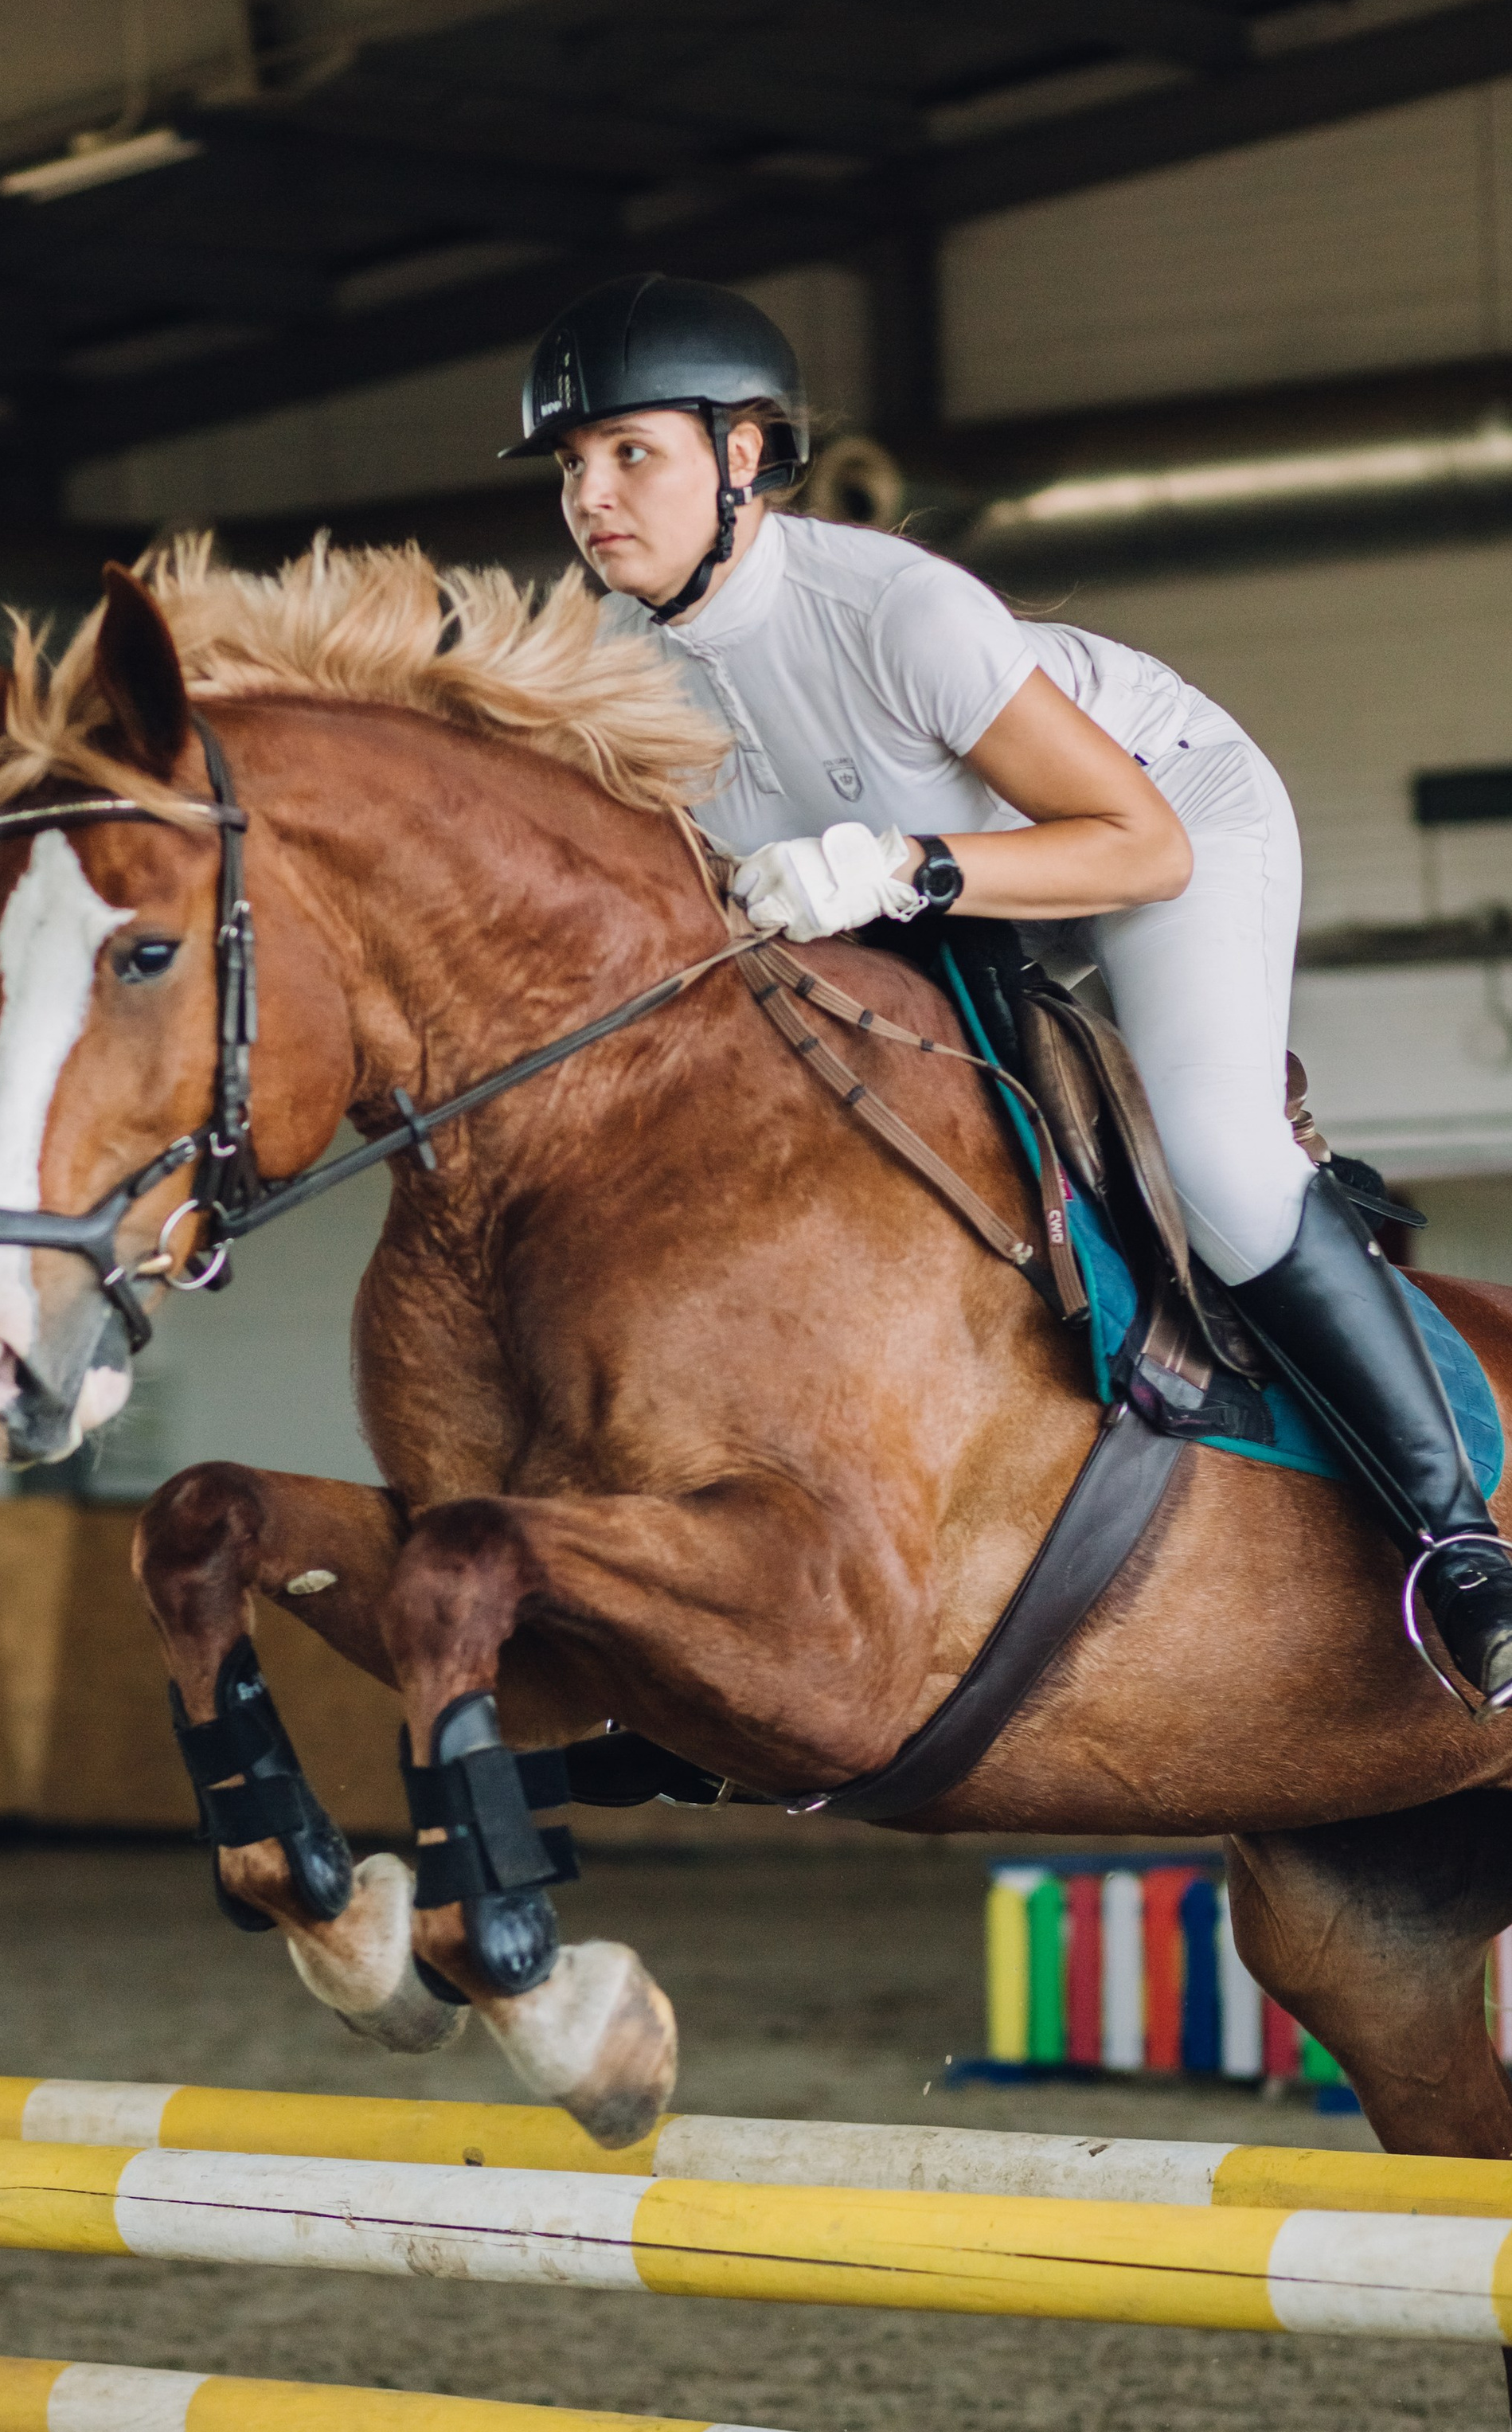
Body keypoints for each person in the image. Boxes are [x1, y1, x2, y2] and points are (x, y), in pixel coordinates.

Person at [500, 272, 1512, 1708]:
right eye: (571, 463)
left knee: (1217, 1163)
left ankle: (1461, 1551)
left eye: (630, 452)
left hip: (1162, 821)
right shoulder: (616, 665)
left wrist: (904, 870)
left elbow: (1137, 851)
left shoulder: (897, 607)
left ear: (743, 457)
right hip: (947, 897)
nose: (592, 494)